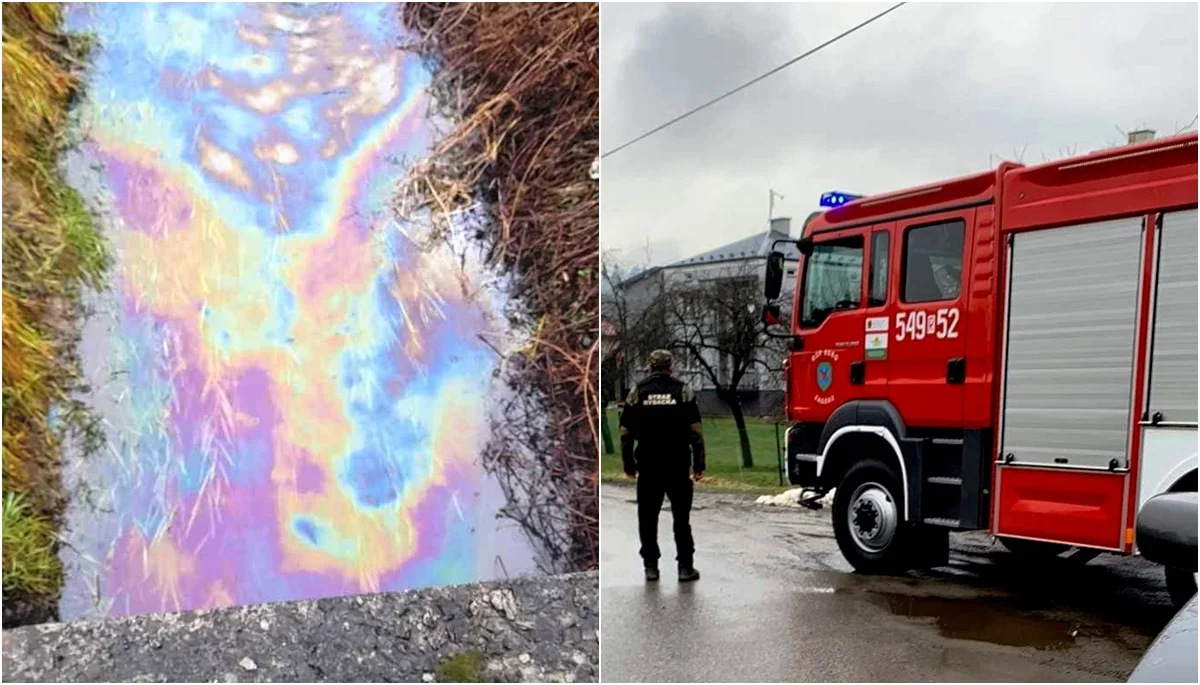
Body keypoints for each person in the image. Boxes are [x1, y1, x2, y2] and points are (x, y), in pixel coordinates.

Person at [619, 349, 706, 582]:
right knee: (681, 519)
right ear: (671, 367)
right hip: (678, 465)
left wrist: (628, 464)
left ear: (649, 367)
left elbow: (625, 432)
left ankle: (651, 567)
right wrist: (699, 464)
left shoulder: (638, 392)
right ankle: (685, 568)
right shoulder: (684, 391)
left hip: (649, 465)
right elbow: (696, 431)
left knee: (647, 518)